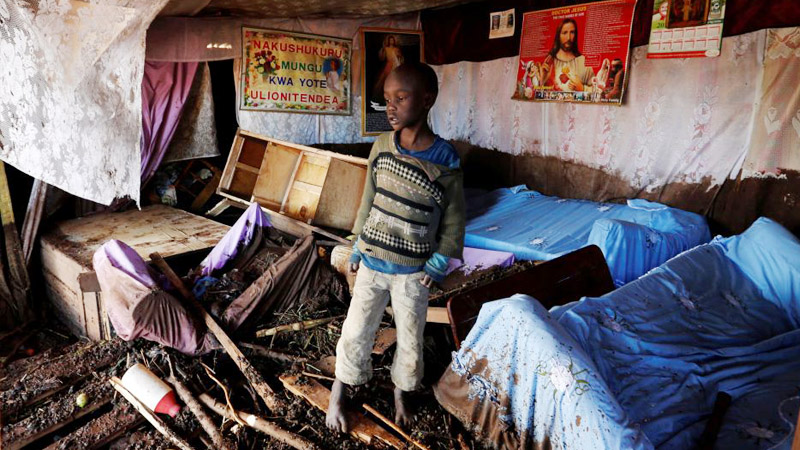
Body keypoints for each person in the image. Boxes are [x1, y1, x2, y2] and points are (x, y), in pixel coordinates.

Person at [326, 62, 465, 433]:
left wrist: (438, 262)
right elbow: (368, 199)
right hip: (372, 262)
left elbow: (454, 219)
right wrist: (356, 245)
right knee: (356, 331)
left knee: (410, 341)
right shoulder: (382, 146)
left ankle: (402, 392)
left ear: (426, 100)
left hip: (413, 273)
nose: (390, 107)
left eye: (400, 98)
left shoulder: (446, 158)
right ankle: (339, 392)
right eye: (386, 99)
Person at [541, 18, 594, 92]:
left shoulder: (583, 62)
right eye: (564, 33)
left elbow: (597, 92)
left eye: (572, 32)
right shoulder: (549, 62)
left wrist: (583, 88)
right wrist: (542, 81)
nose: (568, 37)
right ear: (558, 35)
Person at [372, 34, 405, 101]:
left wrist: (399, 57)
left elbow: (401, 59)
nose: (391, 42)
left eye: (392, 40)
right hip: (389, 65)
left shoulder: (396, 49)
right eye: (390, 40)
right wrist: (382, 50)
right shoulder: (386, 49)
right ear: (388, 41)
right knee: (383, 80)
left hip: (396, 65)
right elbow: (382, 58)